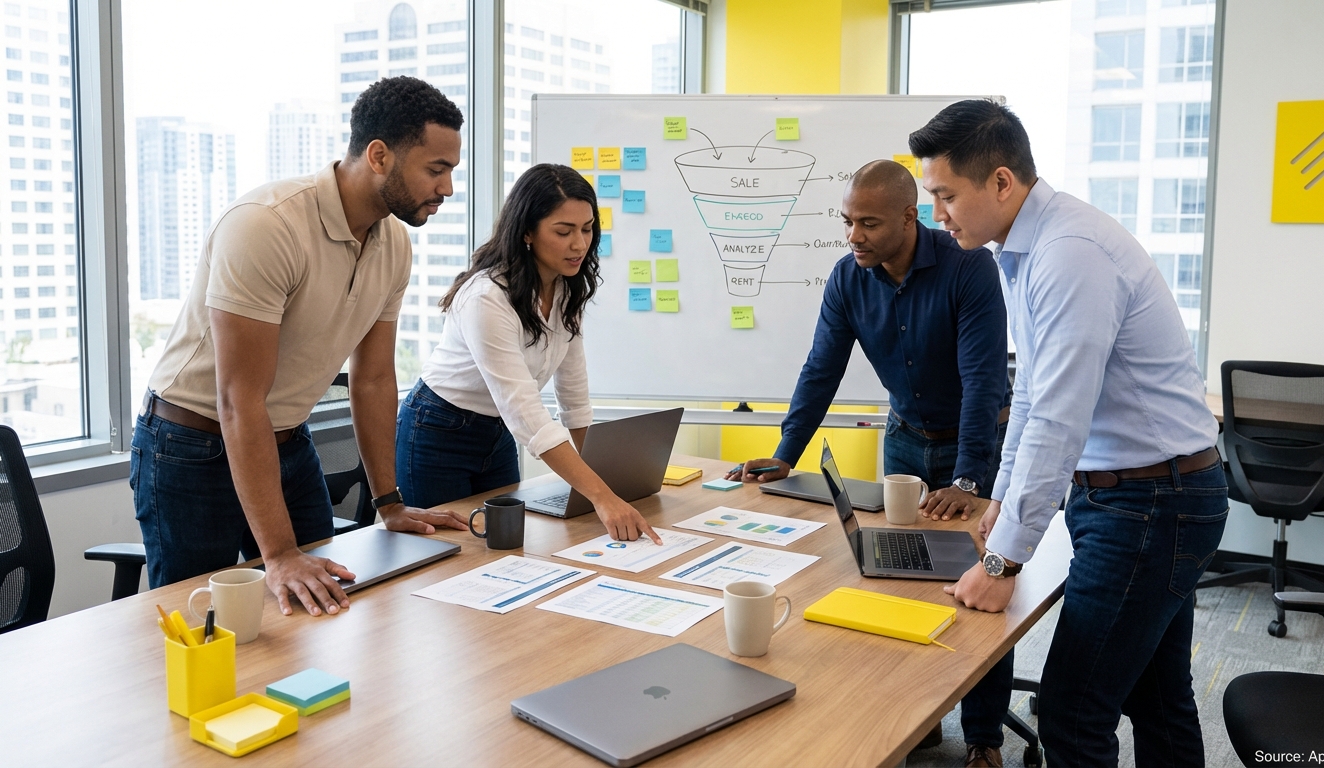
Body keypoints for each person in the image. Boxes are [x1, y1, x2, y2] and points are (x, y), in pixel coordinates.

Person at [912, 99, 1226, 767]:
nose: (935, 213)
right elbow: (1029, 392)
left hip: (1152, 504)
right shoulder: (1025, 250)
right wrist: (1004, 501)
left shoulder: (1068, 254)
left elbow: (1060, 414)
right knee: (1157, 696)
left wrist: (1004, 561)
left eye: (945, 195)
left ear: (1000, 182)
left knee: (1074, 709)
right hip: (1133, 495)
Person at [133, 77, 470, 617]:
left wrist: (390, 504)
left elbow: (375, 378)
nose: (448, 187)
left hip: (287, 441)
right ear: (379, 156)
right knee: (207, 624)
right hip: (192, 445)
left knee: (326, 603)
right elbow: (238, 399)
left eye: (451, 170)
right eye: (436, 169)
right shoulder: (267, 226)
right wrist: (279, 554)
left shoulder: (393, 243)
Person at [725, 159, 1014, 767]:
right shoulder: (848, 277)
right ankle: (924, 714)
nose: (854, 235)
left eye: (869, 223)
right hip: (905, 439)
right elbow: (820, 369)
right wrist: (784, 455)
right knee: (899, 572)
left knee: (983, 587)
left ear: (910, 217)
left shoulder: (967, 266)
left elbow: (983, 380)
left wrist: (968, 478)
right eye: (848, 221)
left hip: (973, 440)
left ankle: (985, 736)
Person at [396, 163, 660, 545]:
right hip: (437, 431)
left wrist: (606, 488)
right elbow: (527, 412)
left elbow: (574, 396)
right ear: (527, 233)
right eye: (563, 231)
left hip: (497, 432)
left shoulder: (568, 289)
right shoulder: (486, 297)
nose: (579, 244)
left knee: (504, 546)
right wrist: (602, 496)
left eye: (587, 229)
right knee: (449, 554)